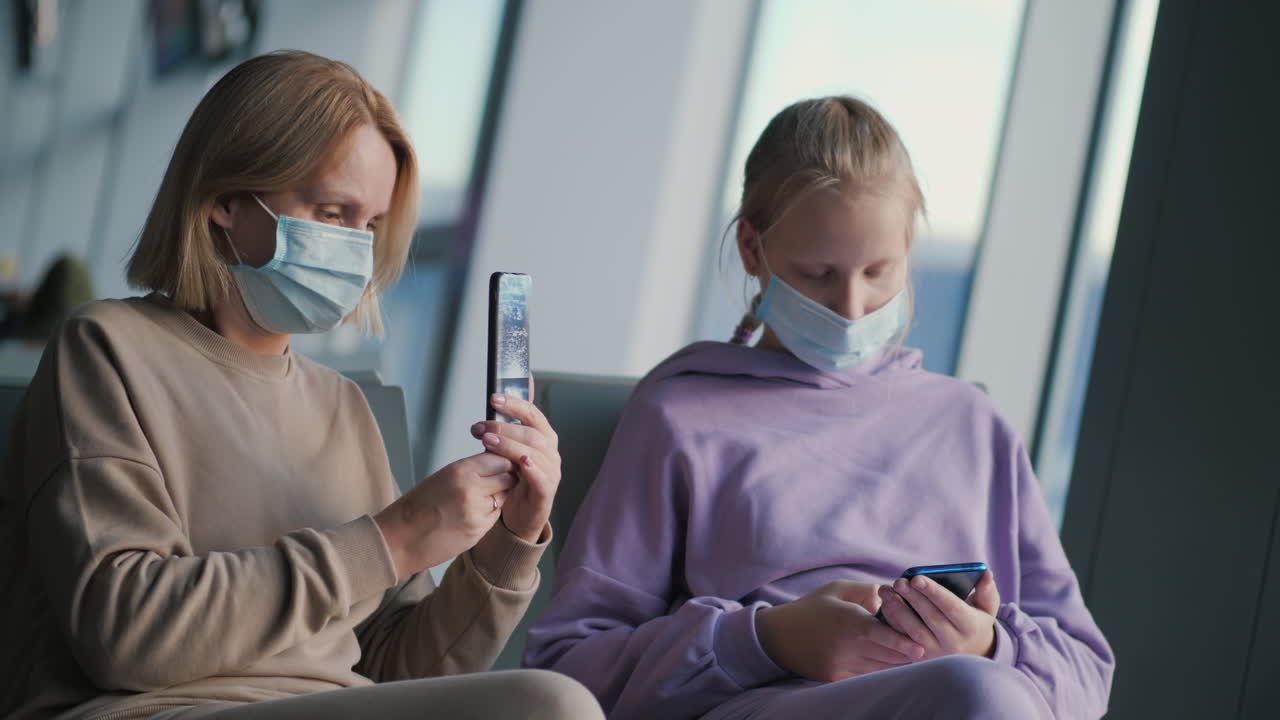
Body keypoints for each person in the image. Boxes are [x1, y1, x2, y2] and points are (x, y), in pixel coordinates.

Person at [0, 51, 601, 720]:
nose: (356, 248)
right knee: (550, 705)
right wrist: (392, 539)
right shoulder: (107, 349)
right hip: (151, 711)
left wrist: (508, 545)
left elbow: (395, 672)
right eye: (333, 212)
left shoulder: (342, 406)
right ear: (227, 200)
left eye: (369, 224)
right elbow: (127, 634)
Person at [523, 96, 1114, 719]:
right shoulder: (680, 415)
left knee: (980, 690)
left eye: (879, 271)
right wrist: (768, 639)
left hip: (967, 700)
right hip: (769, 704)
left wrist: (989, 644)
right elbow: (569, 672)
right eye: (818, 274)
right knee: (974, 696)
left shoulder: (974, 425)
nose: (852, 306)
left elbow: (1086, 672)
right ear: (753, 250)